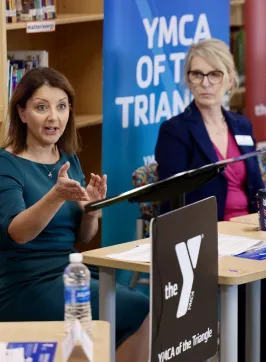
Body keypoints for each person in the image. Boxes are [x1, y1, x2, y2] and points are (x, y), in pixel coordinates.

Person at [155, 38, 266, 362]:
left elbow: (257, 187)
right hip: (207, 234)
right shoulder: (175, 130)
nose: (205, 83)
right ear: (187, 79)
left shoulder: (241, 125)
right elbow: (173, 198)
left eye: (214, 74)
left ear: (230, 79)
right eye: (196, 74)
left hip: (250, 232)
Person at [0, 68, 149, 362]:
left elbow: (82, 237)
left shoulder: (67, 158)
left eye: (62, 106)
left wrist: (90, 210)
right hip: (24, 284)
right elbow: (18, 233)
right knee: (136, 307)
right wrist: (56, 196)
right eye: (41, 107)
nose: (53, 117)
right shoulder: (7, 164)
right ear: (22, 112)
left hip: (70, 270)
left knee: (140, 306)